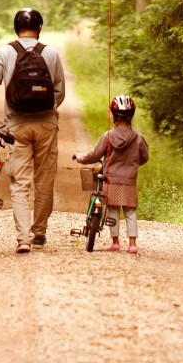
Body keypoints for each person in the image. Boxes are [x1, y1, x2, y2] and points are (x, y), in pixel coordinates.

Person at [0, 8, 65, 253]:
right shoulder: (51, 53)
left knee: (20, 183)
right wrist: (47, 111)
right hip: (47, 125)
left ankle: (24, 239)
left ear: (16, 28)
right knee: (44, 180)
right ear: (40, 28)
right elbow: (59, 92)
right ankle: (39, 234)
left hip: (16, 125)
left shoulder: (6, 52)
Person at [72, 95, 149, 254]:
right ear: (131, 116)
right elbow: (144, 157)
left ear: (114, 116)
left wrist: (80, 157)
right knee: (130, 212)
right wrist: (133, 164)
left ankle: (115, 242)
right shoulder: (139, 138)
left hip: (111, 180)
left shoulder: (108, 136)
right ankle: (132, 244)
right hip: (129, 181)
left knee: (113, 210)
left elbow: (93, 155)